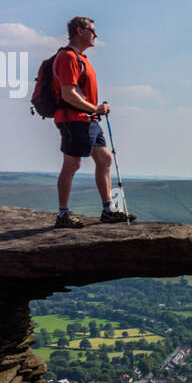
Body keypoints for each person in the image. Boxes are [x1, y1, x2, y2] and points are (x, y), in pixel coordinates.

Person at [52, 16, 135, 227]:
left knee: (105, 159)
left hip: (88, 119)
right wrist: (95, 108)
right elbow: (68, 94)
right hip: (74, 119)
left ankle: (108, 210)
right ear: (80, 31)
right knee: (72, 164)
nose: (96, 35)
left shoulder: (82, 58)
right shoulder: (68, 57)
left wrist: (96, 110)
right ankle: (63, 215)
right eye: (92, 30)